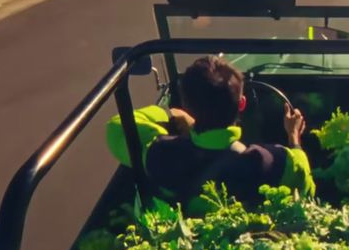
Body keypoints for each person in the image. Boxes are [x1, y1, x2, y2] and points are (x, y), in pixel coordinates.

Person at [107, 56, 314, 209]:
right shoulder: (278, 163)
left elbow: (117, 126)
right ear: (242, 103)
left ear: (186, 103)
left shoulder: (158, 154)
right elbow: (306, 190)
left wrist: (170, 113)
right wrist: (293, 136)